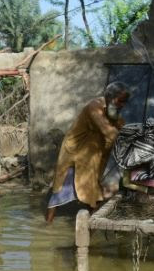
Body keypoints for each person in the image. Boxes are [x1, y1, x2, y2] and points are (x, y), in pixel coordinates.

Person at [45, 82, 130, 222]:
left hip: (91, 155)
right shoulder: (94, 107)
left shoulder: (113, 111)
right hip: (75, 152)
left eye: (125, 102)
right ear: (110, 97)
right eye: (120, 101)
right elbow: (109, 131)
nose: (123, 105)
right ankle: (48, 225)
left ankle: (89, 223)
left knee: (93, 191)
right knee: (61, 190)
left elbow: (121, 126)